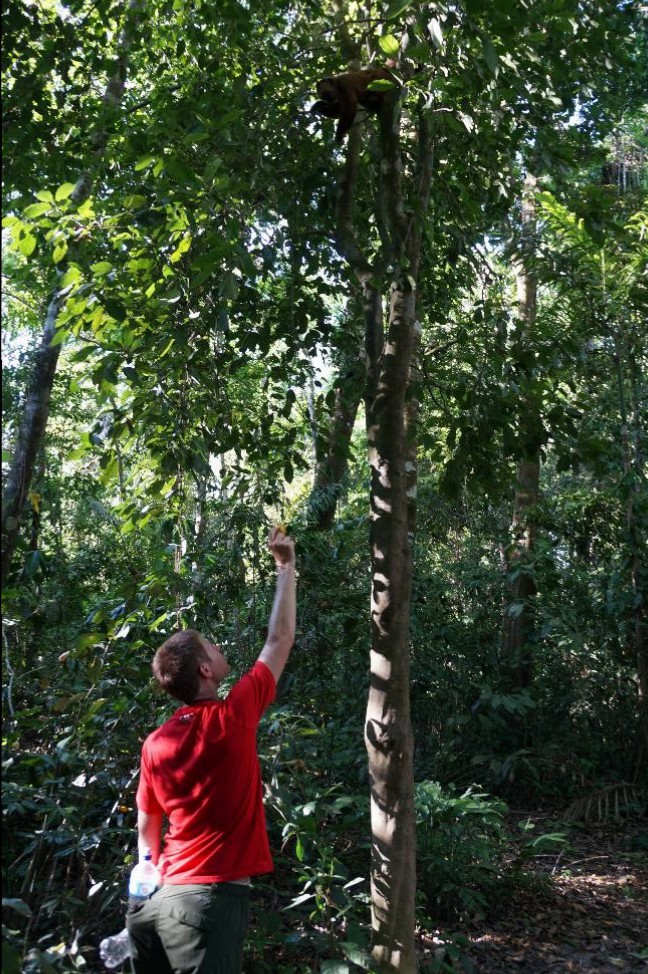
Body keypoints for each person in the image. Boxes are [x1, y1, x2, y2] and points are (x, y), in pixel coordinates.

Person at [126, 525, 296, 974]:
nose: (220, 650)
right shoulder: (232, 716)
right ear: (205, 669)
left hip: (152, 903)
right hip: (206, 901)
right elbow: (279, 639)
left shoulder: (156, 742)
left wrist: (146, 879)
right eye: (213, 648)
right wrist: (285, 566)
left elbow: (148, 827)